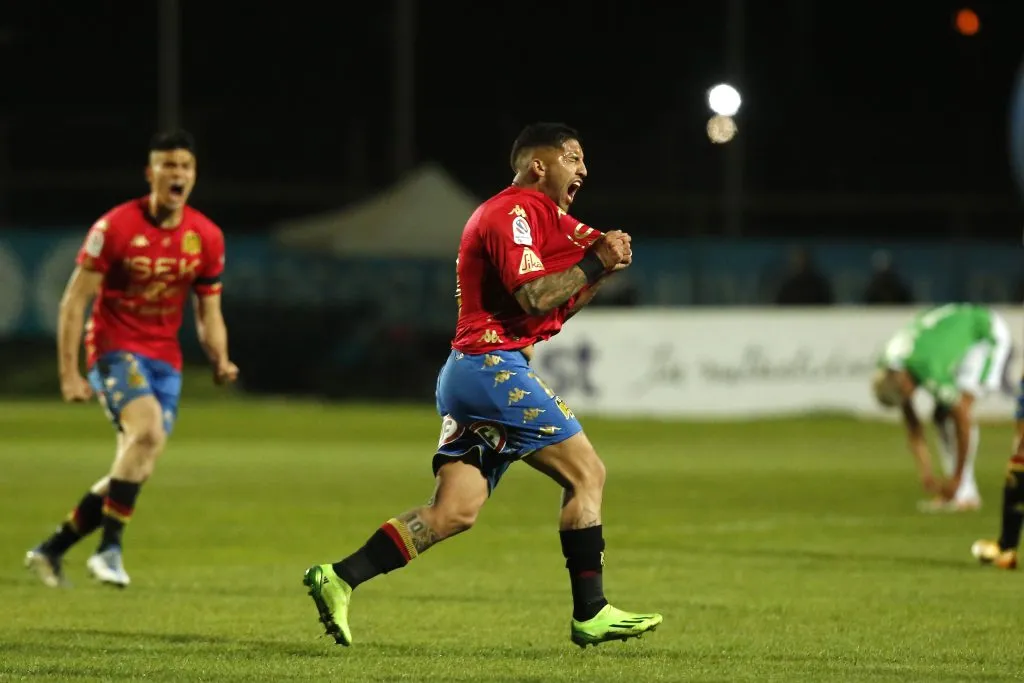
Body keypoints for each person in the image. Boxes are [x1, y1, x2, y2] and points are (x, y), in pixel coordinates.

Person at [303, 122, 662, 648]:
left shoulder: (545, 219)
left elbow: (558, 302)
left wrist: (601, 267)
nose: (583, 169)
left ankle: (339, 577)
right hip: (491, 367)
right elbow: (536, 297)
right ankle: (591, 611)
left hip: (472, 371)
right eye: (573, 157)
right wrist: (595, 261)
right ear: (539, 164)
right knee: (587, 474)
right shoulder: (510, 212)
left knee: (454, 512)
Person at [24, 130, 239, 589]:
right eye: (167, 165)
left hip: (166, 361)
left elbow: (209, 310)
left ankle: (52, 548)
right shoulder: (115, 228)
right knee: (146, 433)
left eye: (185, 165)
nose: (176, 173)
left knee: (134, 463)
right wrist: (70, 373)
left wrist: (220, 359)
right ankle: (109, 550)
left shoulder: (205, 236)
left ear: (194, 175)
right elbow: (73, 301)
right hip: (113, 349)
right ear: (151, 173)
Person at [871, 303, 1014, 512]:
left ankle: (963, 493)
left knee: (957, 411)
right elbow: (913, 425)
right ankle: (961, 493)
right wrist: (925, 472)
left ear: (906, 386)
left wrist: (956, 477)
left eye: (906, 397)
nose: (909, 400)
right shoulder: (891, 366)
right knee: (942, 416)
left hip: (986, 334)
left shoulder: (928, 367)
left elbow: (962, 419)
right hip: (958, 328)